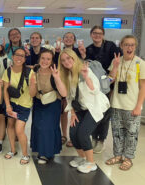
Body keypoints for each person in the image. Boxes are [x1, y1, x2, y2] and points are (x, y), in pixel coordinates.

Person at [58, 48, 109, 173]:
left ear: (74, 57)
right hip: (80, 109)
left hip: (95, 107)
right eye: (63, 60)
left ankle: (91, 163)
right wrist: (73, 112)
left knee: (83, 133)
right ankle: (82, 157)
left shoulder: (85, 70)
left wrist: (86, 77)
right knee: (74, 132)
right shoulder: (68, 75)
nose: (66, 62)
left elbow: (95, 90)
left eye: (68, 58)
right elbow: (68, 96)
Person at [106, 35, 145, 171]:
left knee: (131, 133)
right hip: (116, 103)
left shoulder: (139, 63)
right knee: (117, 132)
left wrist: (139, 106)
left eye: (132, 45)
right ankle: (118, 155)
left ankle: (128, 158)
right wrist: (115, 66)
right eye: (127, 45)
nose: (129, 47)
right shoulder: (116, 60)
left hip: (132, 105)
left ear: (135, 46)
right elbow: (110, 80)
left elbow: (143, 87)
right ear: (121, 46)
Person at [83, 26, 121, 154]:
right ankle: (94, 137)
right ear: (91, 34)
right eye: (94, 33)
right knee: (94, 112)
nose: (97, 35)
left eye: (100, 33)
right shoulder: (88, 49)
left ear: (103, 35)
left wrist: (111, 85)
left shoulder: (111, 47)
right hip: (94, 86)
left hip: (108, 84)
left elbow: (118, 62)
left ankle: (101, 140)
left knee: (105, 115)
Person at [30, 50, 67, 164]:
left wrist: (57, 78)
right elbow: (31, 93)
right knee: (38, 125)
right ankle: (43, 149)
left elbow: (64, 93)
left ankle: (46, 153)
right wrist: (32, 83)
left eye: (48, 59)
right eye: (43, 58)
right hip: (38, 101)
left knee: (48, 127)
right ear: (39, 58)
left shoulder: (56, 72)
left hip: (53, 103)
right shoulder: (34, 71)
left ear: (52, 61)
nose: (45, 61)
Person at [2, 48, 35, 165]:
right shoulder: (8, 71)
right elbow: (5, 90)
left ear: (25, 58)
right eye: (17, 55)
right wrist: (7, 105)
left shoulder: (29, 72)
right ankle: (13, 150)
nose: (19, 58)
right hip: (12, 104)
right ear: (13, 56)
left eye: (22, 56)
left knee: (19, 130)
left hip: (24, 105)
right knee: (10, 126)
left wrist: (32, 84)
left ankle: (25, 154)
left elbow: (32, 94)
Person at [54, 32, 85, 147]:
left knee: (77, 112)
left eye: (71, 37)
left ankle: (75, 137)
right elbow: (57, 66)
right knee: (64, 111)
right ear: (62, 40)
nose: (68, 39)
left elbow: (83, 66)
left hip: (77, 87)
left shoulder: (78, 52)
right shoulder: (58, 51)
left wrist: (83, 55)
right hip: (64, 84)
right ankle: (64, 135)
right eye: (66, 37)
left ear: (75, 40)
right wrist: (56, 54)